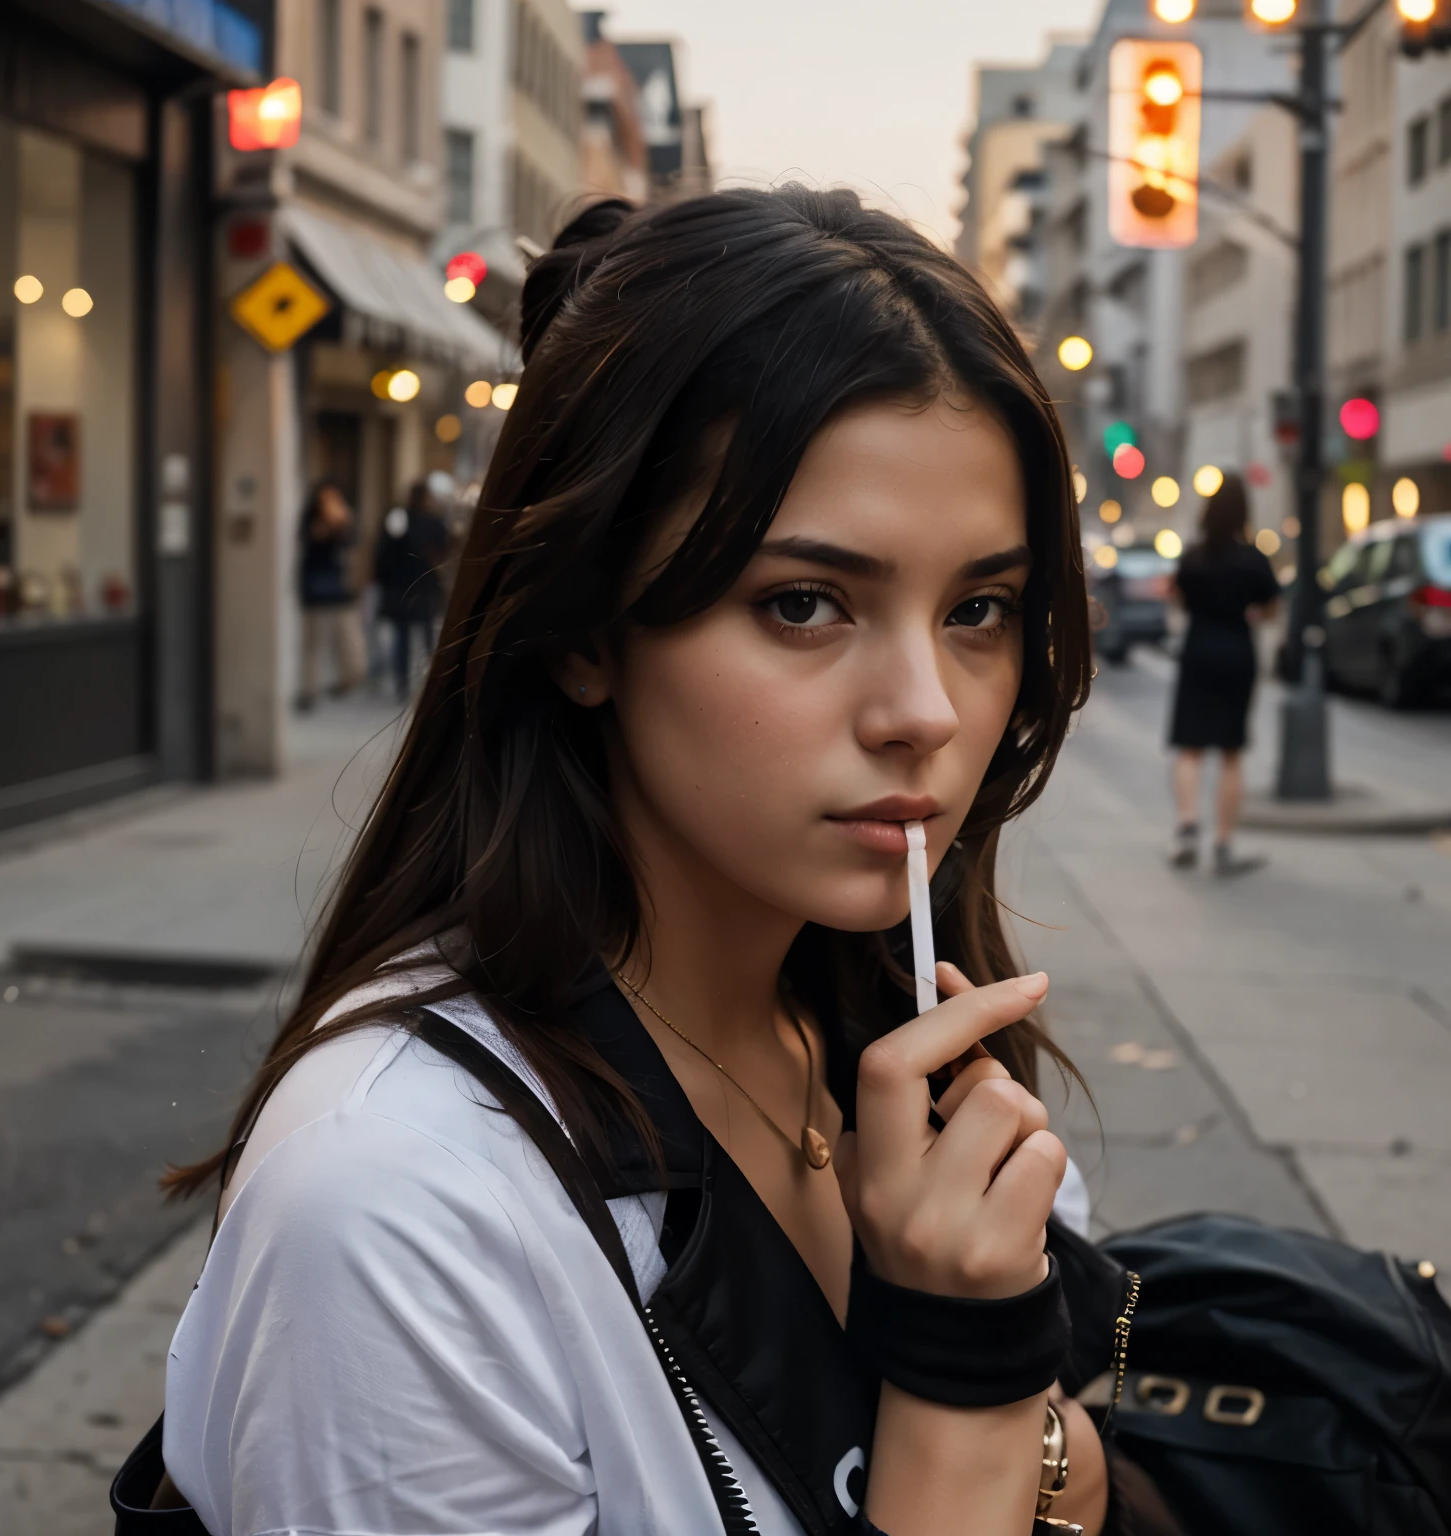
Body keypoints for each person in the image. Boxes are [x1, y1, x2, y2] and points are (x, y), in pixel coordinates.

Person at [158, 191, 1175, 1536]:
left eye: (979, 608)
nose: (926, 709)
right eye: (804, 604)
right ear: (584, 632)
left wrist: (1045, 1454)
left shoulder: (906, 1049)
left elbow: (1074, 1472)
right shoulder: (398, 1200)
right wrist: (963, 1385)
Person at [1167, 477, 1280, 876]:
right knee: (1230, 750)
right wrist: (1249, 613)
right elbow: (1272, 609)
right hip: (1236, 650)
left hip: (1198, 649)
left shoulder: (1194, 556)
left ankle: (1186, 826)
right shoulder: (1253, 559)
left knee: (1190, 746)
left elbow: (1177, 599)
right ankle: (1224, 842)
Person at [372, 478, 450, 701]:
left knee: (403, 637)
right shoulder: (432, 522)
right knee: (425, 636)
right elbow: (443, 552)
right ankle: (427, 683)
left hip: (399, 586)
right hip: (422, 585)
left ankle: (403, 684)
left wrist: (382, 579)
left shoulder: (398, 519)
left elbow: (384, 553)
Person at [297, 479, 366, 710]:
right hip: (316, 590)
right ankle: (310, 690)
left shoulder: (345, 521)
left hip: (340, 590)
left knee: (348, 640)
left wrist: (342, 522)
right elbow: (311, 539)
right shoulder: (311, 521)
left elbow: (353, 545)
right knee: (313, 644)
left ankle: (347, 680)